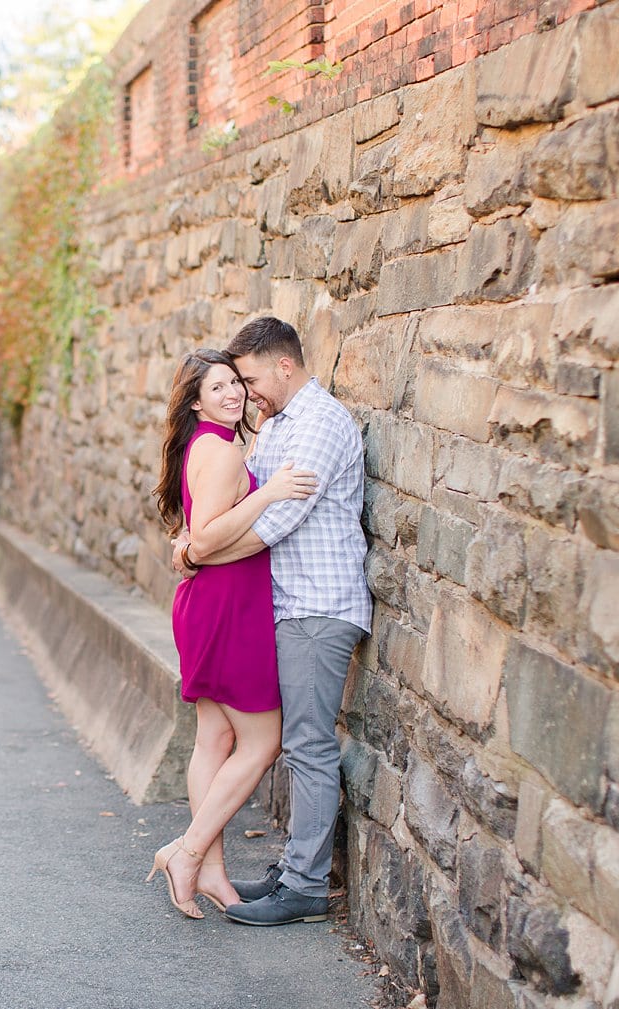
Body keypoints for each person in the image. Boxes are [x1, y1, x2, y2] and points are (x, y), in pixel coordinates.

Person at [173, 316, 372, 927]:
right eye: (230, 385)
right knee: (276, 743)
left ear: (283, 364)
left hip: (318, 605)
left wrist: (195, 551)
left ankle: (305, 886)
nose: (245, 392)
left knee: (306, 746)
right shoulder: (275, 426)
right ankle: (283, 873)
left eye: (249, 379)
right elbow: (237, 511)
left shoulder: (318, 425)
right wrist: (196, 547)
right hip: (279, 607)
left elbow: (269, 529)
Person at [146, 348, 318, 918]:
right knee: (262, 742)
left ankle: (211, 871)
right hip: (226, 607)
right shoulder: (219, 449)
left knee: (214, 741)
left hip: (215, 604)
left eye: (236, 384)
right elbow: (208, 537)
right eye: (218, 387)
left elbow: (195, 541)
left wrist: (191, 547)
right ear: (196, 401)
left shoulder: (210, 444)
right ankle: (190, 852)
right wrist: (268, 493)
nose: (233, 394)